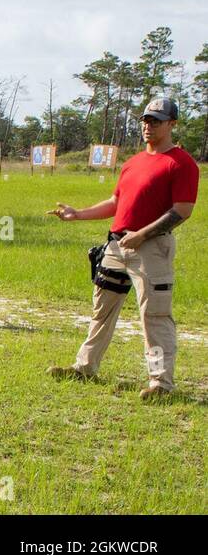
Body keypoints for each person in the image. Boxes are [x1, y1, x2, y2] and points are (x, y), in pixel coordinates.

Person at [47, 97, 198, 401]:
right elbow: (117, 203)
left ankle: (160, 382)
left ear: (171, 124)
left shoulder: (181, 163)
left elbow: (182, 210)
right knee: (102, 310)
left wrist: (142, 235)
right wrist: (79, 214)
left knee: (153, 316)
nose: (148, 126)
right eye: (145, 120)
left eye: (156, 120)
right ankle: (85, 366)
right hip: (117, 246)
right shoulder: (133, 162)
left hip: (152, 249)